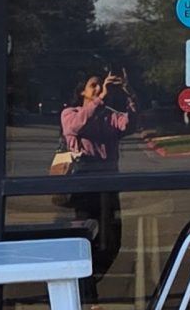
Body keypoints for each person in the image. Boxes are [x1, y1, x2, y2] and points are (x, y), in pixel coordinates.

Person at [58, 70, 135, 291]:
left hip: (109, 184)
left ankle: (89, 283)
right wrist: (100, 100)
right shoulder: (70, 113)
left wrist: (128, 93)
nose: (100, 88)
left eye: (102, 84)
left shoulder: (110, 116)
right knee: (85, 240)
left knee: (112, 241)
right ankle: (85, 290)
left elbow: (131, 124)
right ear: (82, 91)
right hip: (84, 186)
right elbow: (77, 125)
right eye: (94, 85)